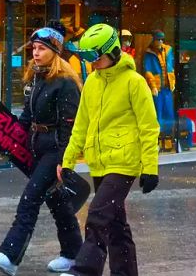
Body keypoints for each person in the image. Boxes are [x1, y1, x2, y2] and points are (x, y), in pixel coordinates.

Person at [57, 23, 160, 276]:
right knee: (116, 225)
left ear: (112, 52)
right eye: (86, 57)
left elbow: (149, 128)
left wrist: (150, 168)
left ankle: (84, 270)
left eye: (95, 56)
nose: (91, 62)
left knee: (98, 215)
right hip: (99, 160)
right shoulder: (92, 81)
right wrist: (68, 160)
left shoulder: (134, 83)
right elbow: (81, 124)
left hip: (124, 162)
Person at [0, 20, 83, 275]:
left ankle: (10, 255)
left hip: (54, 150)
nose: (35, 53)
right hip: (37, 147)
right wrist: (6, 139)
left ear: (55, 51)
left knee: (30, 198)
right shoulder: (37, 78)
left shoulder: (66, 83)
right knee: (58, 202)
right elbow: (26, 119)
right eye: (34, 48)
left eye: (41, 48)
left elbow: (69, 127)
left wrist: (64, 160)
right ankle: (74, 254)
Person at [143, 29, 175, 134]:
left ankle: (169, 136)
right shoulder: (149, 53)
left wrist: (173, 82)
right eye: (158, 39)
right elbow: (148, 71)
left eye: (162, 39)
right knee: (158, 113)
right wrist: (153, 86)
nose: (160, 41)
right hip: (157, 88)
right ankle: (159, 136)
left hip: (167, 87)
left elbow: (171, 68)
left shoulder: (168, 50)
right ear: (153, 40)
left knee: (169, 112)